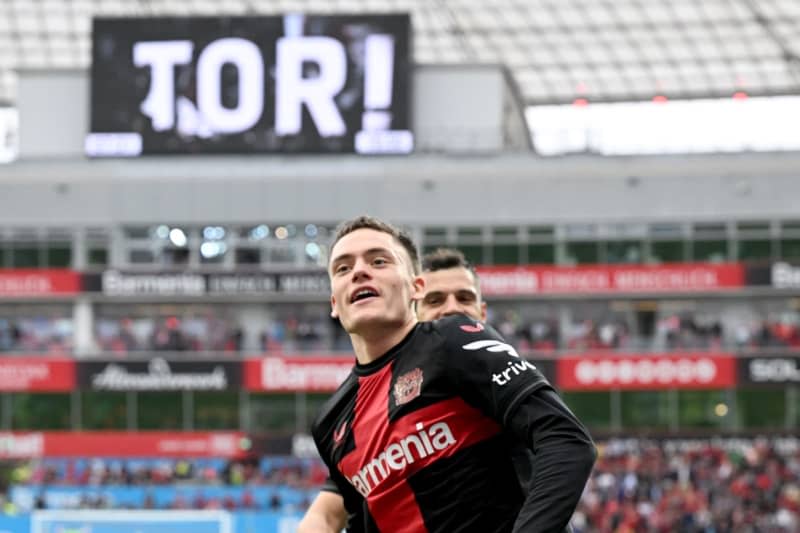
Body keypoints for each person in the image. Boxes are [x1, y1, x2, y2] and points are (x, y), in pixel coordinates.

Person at [308, 216, 595, 532]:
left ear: (415, 287)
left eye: (378, 261)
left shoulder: (454, 339)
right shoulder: (331, 423)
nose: (359, 271)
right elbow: (349, 516)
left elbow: (565, 438)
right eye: (343, 268)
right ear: (334, 303)